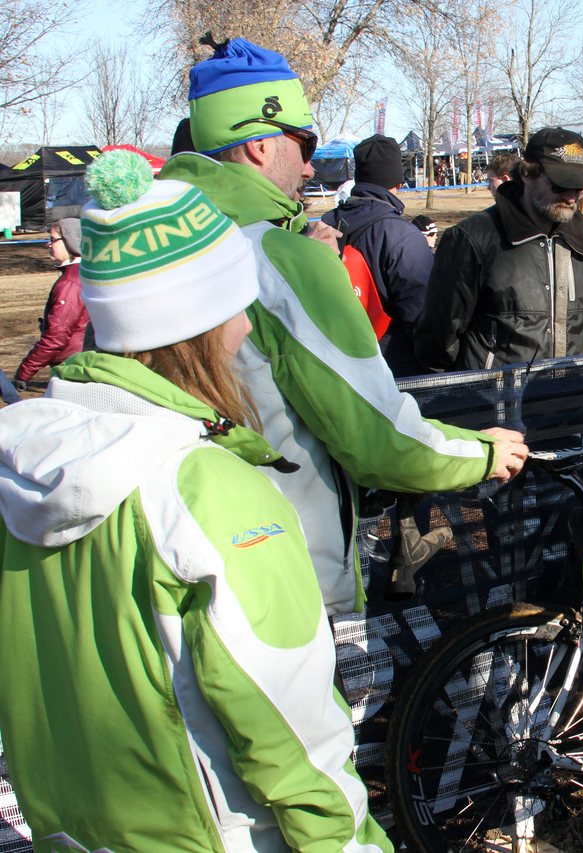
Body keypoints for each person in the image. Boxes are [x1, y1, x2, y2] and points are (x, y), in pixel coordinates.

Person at [0, 150, 391, 852]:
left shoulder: (20, 471)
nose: (245, 328)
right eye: (234, 306)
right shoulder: (211, 489)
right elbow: (294, 733)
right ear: (199, 324)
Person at [159, 37, 527, 615]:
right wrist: (481, 452)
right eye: (303, 143)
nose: (310, 165)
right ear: (258, 146)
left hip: (157, 556)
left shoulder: (142, 250)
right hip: (269, 573)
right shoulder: (282, 258)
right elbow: (379, 438)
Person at [415, 126, 583, 371]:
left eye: (577, 188)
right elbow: (437, 338)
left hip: (565, 400)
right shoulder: (472, 238)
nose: (571, 197)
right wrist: (464, 398)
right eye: (559, 185)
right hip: (492, 402)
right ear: (526, 174)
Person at [322, 134, 432, 378]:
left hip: (335, 361)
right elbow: (425, 317)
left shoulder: (323, 225)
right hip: (393, 369)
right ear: (397, 182)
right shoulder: (402, 235)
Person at [13, 218, 88, 390]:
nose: (48, 244)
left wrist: (24, 373)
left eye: (53, 240)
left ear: (70, 242)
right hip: (80, 362)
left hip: (72, 367)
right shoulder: (84, 274)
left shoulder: (70, 282)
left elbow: (56, 337)